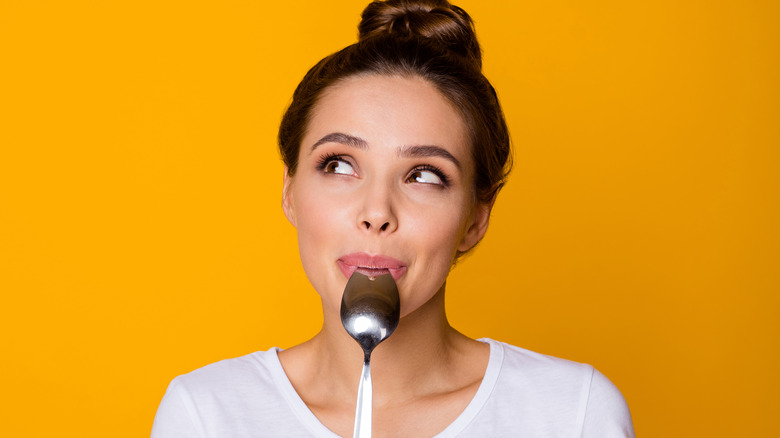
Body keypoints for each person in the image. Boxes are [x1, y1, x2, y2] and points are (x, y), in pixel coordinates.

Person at [151, 1, 635, 436]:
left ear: (475, 216)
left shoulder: (573, 413)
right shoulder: (206, 415)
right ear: (291, 192)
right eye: (338, 165)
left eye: (424, 175)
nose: (377, 213)